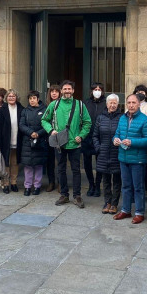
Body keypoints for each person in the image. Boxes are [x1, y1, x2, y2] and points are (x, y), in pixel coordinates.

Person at [41, 80, 92, 208]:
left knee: (76, 170)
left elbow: (87, 122)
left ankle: (77, 195)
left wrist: (81, 135)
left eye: (69, 89)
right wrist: (51, 130)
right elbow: (44, 120)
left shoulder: (80, 105)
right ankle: (64, 194)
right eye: (65, 89)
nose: (67, 91)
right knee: (61, 169)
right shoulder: (54, 104)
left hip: (75, 143)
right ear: (61, 91)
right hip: (60, 143)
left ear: (73, 90)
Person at [113, 94, 147, 223]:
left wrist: (132, 142)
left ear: (139, 104)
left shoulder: (145, 120)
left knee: (138, 187)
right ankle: (125, 210)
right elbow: (117, 134)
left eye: (133, 103)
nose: (131, 105)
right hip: (123, 158)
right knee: (126, 186)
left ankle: (139, 212)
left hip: (137, 159)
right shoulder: (122, 118)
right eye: (129, 103)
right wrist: (115, 140)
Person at [93, 94, 122, 214]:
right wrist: (98, 148)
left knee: (116, 180)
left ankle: (114, 204)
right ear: (107, 104)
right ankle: (107, 202)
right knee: (105, 180)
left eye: (115, 103)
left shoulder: (122, 118)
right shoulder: (100, 118)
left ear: (118, 104)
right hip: (103, 153)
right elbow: (95, 135)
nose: (113, 105)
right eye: (110, 102)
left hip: (117, 153)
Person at [0, 89, 24, 194]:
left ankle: (14, 182)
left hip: (17, 140)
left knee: (15, 163)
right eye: (9, 96)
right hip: (5, 141)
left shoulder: (21, 109)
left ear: (17, 98)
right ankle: (6, 183)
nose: (11, 98)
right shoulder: (2, 110)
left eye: (13, 96)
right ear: (6, 98)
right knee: (6, 163)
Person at [19, 90, 48, 196]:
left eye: (34, 98)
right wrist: (31, 132)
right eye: (30, 98)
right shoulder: (25, 111)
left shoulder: (45, 110)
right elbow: (21, 125)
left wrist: (38, 133)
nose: (32, 100)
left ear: (38, 99)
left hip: (40, 141)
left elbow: (47, 125)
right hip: (28, 141)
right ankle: (27, 186)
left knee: (38, 165)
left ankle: (37, 186)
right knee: (28, 166)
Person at [83, 82, 108, 197]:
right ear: (91, 91)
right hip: (87, 136)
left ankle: (98, 186)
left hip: (101, 137)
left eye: (99, 89)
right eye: (95, 89)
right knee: (87, 163)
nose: (97, 91)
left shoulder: (106, 103)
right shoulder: (86, 103)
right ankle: (91, 185)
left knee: (100, 163)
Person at [133, 84, 147, 205]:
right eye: (138, 92)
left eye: (143, 92)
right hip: (134, 142)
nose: (140, 93)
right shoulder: (131, 106)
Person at [44, 85, 61, 192]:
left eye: (56, 91)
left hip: (60, 137)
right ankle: (51, 182)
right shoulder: (46, 106)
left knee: (60, 160)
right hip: (48, 136)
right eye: (52, 91)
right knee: (49, 161)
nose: (54, 93)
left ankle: (60, 182)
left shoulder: (62, 105)